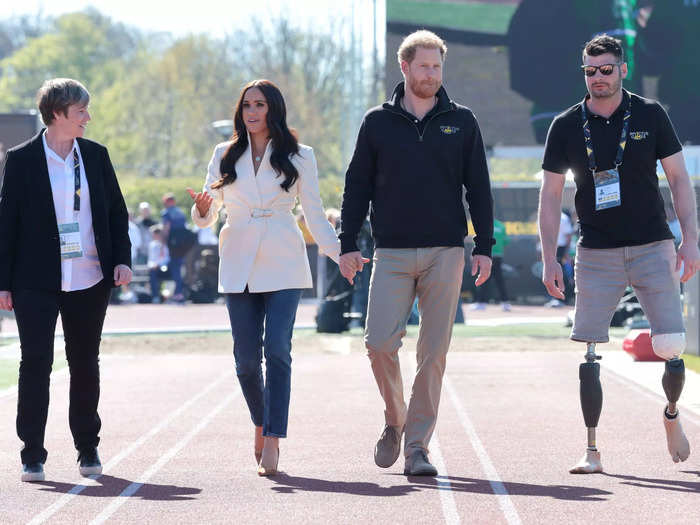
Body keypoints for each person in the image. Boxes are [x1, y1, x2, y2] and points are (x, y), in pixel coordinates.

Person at [538, 35, 700, 474]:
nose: (598, 78)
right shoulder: (566, 125)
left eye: (606, 69)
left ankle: (671, 413)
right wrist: (549, 257)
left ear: (623, 69)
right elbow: (551, 195)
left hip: (652, 245)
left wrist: (690, 239)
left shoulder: (650, 114)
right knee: (589, 352)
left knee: (671, 344)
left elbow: (679, 181)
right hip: (595, 251)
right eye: (590, 71)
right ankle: (591, 451)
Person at [339, 30, 494, 477]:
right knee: (378, 344)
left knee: (434, 352)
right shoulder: (376, 122)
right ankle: (396, 419)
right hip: (390, 251)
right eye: (424, 66)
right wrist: (348, 244)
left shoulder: (462, 121)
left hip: (447, 250)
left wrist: (484, 247)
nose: (432, 74)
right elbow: (356, 188)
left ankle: (418, 447)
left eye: (437, 66)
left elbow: (479, 189)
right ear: (404, 68)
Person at [188, 79, 340, 476]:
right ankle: (260, 419)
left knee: (277, 349)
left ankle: (272, 437)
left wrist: (339, 253)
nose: (251, 112)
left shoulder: (300, 155)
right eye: (246, 105)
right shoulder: (224, 153)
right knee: (244, 362)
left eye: (259, 105)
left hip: (283, 259)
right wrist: (202, 209)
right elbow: (208, 212)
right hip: (237, 260)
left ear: (273, 108)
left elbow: (315, 213)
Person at [0, 78, 132, 482]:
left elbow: (115, 212)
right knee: (35, 363)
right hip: (34, 280)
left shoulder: (95, 156)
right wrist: (3, 283)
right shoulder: (20, 159)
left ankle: (87, 447)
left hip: (90, 276)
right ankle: (32, 454)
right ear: (57, 113)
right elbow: (6, 224)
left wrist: (122, 261)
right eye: (80, 112)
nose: (87, 118)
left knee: (85, 363)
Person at [472, 218, 511, 311]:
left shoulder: (484, 225)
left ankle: (482, 303)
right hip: (498, 257)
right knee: (499, 280)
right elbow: (506, 241)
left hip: (487, 256)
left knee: (484, 279)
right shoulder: (501, 226)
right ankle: (505, 303)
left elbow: (478, 240)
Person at [161, 193, 191, 303]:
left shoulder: (166, 213)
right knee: (179, 267)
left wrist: (163, 243)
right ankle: (179, 292)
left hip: (173, 244)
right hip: (183, 244)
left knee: (175, 269)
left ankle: (177, 293)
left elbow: (166, 228)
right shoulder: (180, 212)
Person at [147, 225, 170, 303]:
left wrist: (158, 264)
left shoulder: (165, 244)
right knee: (152, 274)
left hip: (164, 268)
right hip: (154, 268)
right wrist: (152, 265)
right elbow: (150, 259)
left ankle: (168, 297)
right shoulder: (152, 245)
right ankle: (155, 296)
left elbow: (167, 258)